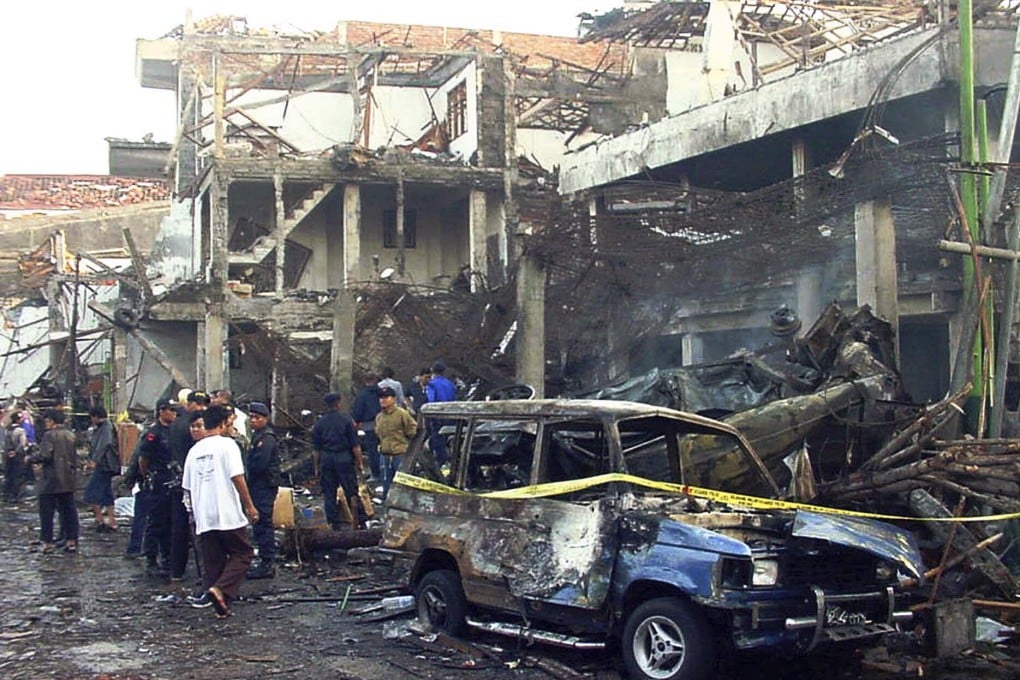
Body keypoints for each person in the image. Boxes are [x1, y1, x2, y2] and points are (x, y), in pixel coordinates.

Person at [181, 405, 258, 619]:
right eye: (230, 423)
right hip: (226, 511)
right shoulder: (227, 445)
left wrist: (193, 511)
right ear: (223, 423)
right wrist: (249, 505)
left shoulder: (194, 450)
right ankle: (221, 589)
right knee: (243, 553)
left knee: (213, 561)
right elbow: (237, 477)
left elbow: (186, 487)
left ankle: (221, 605)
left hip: (204, 514)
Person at [167, 390, 208, 581]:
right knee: (201, 529)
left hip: (178, 481)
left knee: (179, 529)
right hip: (197, 482)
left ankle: (177, 570)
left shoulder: (175, 424)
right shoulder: (199, 426)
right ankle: (206, 572)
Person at [311, 392, 365, 531]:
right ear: (338, 403)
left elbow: (316, 449)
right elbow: (355, 445)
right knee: (351, 490)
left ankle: (334, 523)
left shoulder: (320, 423)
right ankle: (359, 520)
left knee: (329, 492)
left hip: (326, 459)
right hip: (344, 459)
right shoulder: (346, 420)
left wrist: (317, 467)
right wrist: (360, 463)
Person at [28, 409, 79, 553]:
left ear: (51, 421)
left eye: (47, 421)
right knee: (69, 512)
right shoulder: (71, 435)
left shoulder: (49, 436)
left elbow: (45, 455)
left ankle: (47, 543)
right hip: (67, 480)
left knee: (46, 513)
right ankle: (71, 541)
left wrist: (31, 458)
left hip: (50, 480)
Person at [138, 398, 178, 576]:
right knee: (156, 520)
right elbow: (143, 458)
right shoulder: (153, 434)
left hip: (173, 479)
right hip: (159, 479)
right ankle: (151, 556)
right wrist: (148, 475)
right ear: (162, 411)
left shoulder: (176, 431)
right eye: (170, 410)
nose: (173, 413)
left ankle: (168, 556)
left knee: (171, 520)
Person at [244, 402, 281, 579]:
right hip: (259, 485)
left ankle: (267, 563)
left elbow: (260, 464)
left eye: (257, 418)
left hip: (264, 486)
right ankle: (265, 560)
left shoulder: (266, 438)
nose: (253, 421)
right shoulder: (257, 436)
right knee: (259, 524)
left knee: (263, 523)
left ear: (265, 419)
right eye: (251, 417)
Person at [375, 386, 417, 499]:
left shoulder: (402, 414)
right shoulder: (379, 417)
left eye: (386, 397)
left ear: (393, 399)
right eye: (381, 398)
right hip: (385, 455)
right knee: (386, 484)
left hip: (400, 454)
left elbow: (413, 430)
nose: (383, 400)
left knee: (400, 486)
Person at [83, 406, 119, 532]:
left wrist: (94, 460)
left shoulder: (106, 428)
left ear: (95, 417)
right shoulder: (102, 428)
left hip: (105, 465)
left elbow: (104, 444)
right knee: (106, 493)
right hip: (105, 465)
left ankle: (100, 519)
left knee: (91, 492)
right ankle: (111, 521)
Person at [351, 373, 381, 481]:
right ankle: (388, 472)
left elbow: (357, 411)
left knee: (372, 451)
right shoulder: (382, 392)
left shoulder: (362, 395)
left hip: (369, 425)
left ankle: (376, 474)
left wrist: (356, 421)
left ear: (365, 381)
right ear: (376, 380)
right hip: (384, 424)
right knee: (387, 449)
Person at [425, 361, 457, 463]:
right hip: (451, 415)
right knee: (449, 440)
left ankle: (442, 464)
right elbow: (454, 398)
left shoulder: (431, 385)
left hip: (437, 417)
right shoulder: (449, 383)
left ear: (432, 371)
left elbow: (431, 401)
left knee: (437, 442)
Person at [4, 413, 28, 503]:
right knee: (19, 476)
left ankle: (9, 495)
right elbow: (22, 444)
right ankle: (19, 496)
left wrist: (9, 452)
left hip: (8, 455)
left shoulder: (7, 430)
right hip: (18, 456)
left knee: (9, 475)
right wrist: (16, 452)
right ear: (17, 420)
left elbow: (5, 443)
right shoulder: (21, 431)